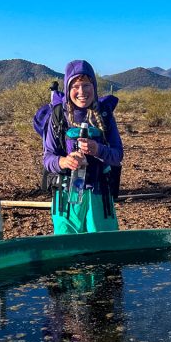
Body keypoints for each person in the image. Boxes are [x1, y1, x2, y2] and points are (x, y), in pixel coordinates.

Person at [35, 60, 123, 234]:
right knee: (68, 253)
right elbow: (48, 158)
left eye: (86, 85)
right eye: (75, 86)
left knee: (103, 252)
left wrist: (98, 150)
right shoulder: (58, 116)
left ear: (94, 86)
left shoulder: (104, 115)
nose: (82, 91)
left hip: (100, 196)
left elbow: (117, 155)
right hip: (66, 197)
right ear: (68, 89)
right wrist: (65, 161)